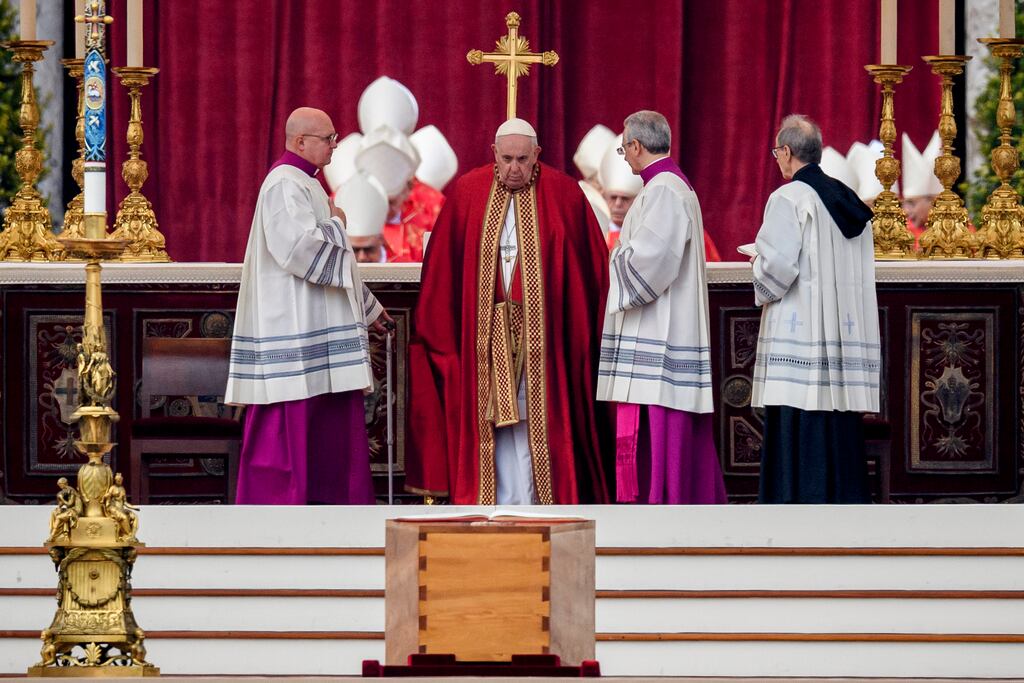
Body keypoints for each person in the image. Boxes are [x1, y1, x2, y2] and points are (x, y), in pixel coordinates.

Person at [407, 118, 614, 505]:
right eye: (507, 159)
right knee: (493, 423)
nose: (515, 168)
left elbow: (588, 275)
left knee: (538, 419)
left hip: (546, 344)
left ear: (537, 155)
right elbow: (441, 274)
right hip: (481, 340)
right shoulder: (467, 192)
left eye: (523, 158)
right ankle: (494, 502)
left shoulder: (564, 194)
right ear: (494, 155)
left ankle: (539, 502)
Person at [225, 106, 392, 505]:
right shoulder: (284, 183)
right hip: (294, 332)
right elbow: (299, 250)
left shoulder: (307, 183)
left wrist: (369, 309)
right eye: (328, 138)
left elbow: (335, 264)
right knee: (292, 422)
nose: (335, 144)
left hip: (314, 327)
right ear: (300, 142)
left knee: (325, 426)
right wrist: (337, 224)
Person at [597, 110, 727, 504]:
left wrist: (608, 259)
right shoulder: (667, 186)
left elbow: (651, 261)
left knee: (660, 424)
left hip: (659, 333)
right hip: (660, 327)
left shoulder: (664, 190)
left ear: (636, 146)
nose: (626, 157)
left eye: (624, 149)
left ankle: (660, 503)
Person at [752, 114, 880, 504]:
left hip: (802, 333)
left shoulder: (789, 198)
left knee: (801, 413)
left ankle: (795, 502)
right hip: (841, 337)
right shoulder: (846, 199)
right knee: (836, 420)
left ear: (787, 152)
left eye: (777, 152)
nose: (777, 159)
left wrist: (757, 264)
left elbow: (778, 267)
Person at [901, 131, 943, 250]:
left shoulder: (960, 229)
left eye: (912, 203)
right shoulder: (900, 232)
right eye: (905, 203)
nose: (906, 211)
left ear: (933, 202)